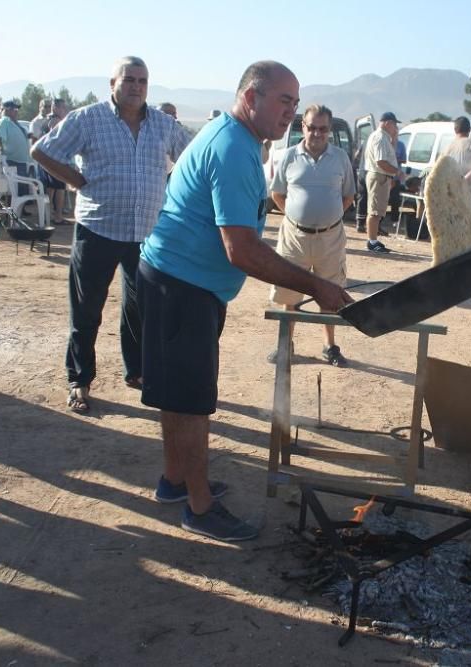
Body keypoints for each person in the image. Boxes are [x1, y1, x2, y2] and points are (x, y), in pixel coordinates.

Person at [138, 61, 351, 542]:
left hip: (185, 284)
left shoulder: (240, 140)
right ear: (251, 98)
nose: (290, 113)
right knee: (192, 403)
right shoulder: (234, 148)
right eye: (283, 101)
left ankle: (176, 481)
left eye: (295, 103)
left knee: (179, 395)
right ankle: (199, 505)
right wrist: (317, 287)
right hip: (181, 286)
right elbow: (242, 248)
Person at [31, 56, 190, 414]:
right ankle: (80, 380)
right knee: (86, 309)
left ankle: (137, 372)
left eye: (142, 81)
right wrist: (76, 180)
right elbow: (42, 150)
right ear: (113, 84)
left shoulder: (163, 125)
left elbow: (191, 158)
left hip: (146, 233)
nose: (136, 86)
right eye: (129, 79)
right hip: (98, 229)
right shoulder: (88, 119)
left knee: (143, 308)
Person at [266, 104, 356, 367]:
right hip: (294, 238)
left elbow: (348, 195)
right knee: (289, 293)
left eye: (323, 129)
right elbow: (277, 194)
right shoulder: (289, 157)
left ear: (329, 130)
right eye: (312, 127)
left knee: (330, 292)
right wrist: (296, 219)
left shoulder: (340, 158)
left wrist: (329, 219)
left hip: (331, 240)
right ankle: (286, 344)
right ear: (303, 127)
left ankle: (330, 346)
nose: (317, 133)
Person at [363, 112, 405, 253]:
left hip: (382, 177)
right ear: (388, 123)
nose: (396, 128)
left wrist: (395, 138)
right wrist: (397, 172)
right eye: (395, 125)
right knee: (374, 211)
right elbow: (381, 162)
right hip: (379, 176)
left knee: (378, 211)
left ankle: (373, 240)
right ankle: (372, 242)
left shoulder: (384, 138)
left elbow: (389, 155)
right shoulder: (380, 138)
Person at [0, 99, 32, 194]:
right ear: (5, 110)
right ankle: (18, 209)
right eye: (13, 109)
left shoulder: (15, 122)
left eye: (16, 109)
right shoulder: (4, 121)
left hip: (22, 162)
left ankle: (21, 209)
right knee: (17, 190)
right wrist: (0, 150)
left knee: (23, 189)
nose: (16, 111)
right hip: (12, 161)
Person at [442, 116, 471, 201]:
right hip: (467, 192)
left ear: (455, 130)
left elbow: (442, 169)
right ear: (469, 130)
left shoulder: (447, 147)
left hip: (450, 191)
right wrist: (462, 182)